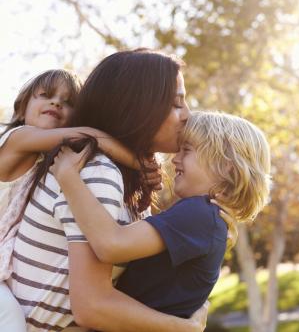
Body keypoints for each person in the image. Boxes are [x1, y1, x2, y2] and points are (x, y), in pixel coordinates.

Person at [7, 49, 208, 332]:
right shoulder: (95, 172)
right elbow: (92, 307)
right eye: (176, 104)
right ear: (137, 106)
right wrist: (184, 328)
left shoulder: (118, 179)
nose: (188, 115)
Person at [51, 110, 271, 318]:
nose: (175, 159)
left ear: (226, 167)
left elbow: (111, 244)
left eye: (187, 150)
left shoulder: (200, 214)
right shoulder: (208, 218)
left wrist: (68, 176)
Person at [0, 68, 156, 332]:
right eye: (46, 95)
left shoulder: (48, 158)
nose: (56, 103)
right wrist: (140, 166)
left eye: (68, 102)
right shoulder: (16, 138)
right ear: (21, 108)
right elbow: (89, 136)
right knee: (12, 322)